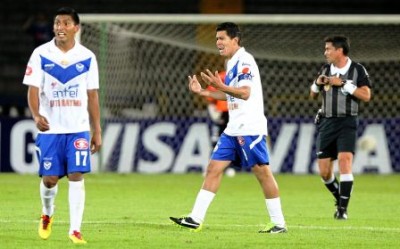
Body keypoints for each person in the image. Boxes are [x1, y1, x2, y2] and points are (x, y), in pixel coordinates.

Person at [170, 22, 287, 233]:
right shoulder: (231, 63)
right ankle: (195, 219)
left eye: (222, 38)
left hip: (249, 127)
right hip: (233, 128)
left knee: (262, 172)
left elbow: (245, 92)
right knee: (213, 168)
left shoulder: (245, 61)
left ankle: (279, 224)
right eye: (216, 39)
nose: (218, 43)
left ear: (235, 40)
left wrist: (221, 85)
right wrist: (204, 92)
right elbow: (229, 94)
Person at [22, 7, 102, 244]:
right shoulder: (40, 53)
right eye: (57, 23)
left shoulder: (87, 57)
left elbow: (93, 95)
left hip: (78, 127)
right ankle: (47, 213)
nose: (60, 27)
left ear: (76, 28)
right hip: (51, 129)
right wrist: (36, 115)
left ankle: (75, 230)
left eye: (66, 23)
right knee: (50, 179)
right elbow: (33, 89)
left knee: (77, 175)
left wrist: (96, 130)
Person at [310, 36, 372, 220]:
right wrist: (317, 84)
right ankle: (339, 198)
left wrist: (344, 84)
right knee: (324, 171)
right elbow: (313, 95)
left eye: (328, 49)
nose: (325, 52)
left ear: (339, 50)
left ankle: (342, 210)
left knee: (345, 162)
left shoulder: (357, 69)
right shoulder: (326, 69)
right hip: (327, 123)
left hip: (347, 122)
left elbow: (366, 95)